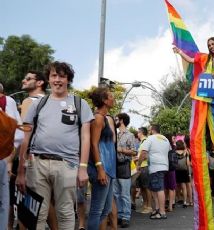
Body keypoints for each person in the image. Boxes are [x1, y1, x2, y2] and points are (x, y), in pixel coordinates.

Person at [16, 61, 93, 230]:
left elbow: (86, 138)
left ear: (68, 80)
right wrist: (21, 171)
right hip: (37, 164)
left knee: (65, 213)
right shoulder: (38, 104)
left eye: (62, 76)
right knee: (37, 215)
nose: (58, 80)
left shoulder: (80, 104)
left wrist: (83, 168)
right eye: (54, 76)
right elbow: (25, 138)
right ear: (48, 79)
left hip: (68, 164)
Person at [173, 37, 214, 229]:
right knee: (196, 137)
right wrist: (179, 52)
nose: (211, 47)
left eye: (213, 44)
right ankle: (204, 222)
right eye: (209, 45)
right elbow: (192, 59)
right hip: (201, 100)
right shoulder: (204, 59)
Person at [87, 87, 117, 229]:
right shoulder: (98, 118)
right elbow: (93, 144)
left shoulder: (104, 118)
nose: (114, 97)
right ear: (105, 101)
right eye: (111, 95)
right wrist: (100, 168)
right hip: (102, 168)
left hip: (109, 169)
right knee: (96, 210)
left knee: (105, 210)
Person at [0, 83, 24, 230]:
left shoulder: (6, 101)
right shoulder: (6, 101)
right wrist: (8, 161)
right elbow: (18, 134)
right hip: (1, 158)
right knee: (2, 204)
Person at [140, 124, 170, 220]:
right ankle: (157, 209)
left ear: (152, 130)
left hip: (155, 166)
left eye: (149, 130)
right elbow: (168, 151)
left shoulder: (151, 138)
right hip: (164, 165)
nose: (148, 131)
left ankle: (162, 212)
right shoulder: (165, 139)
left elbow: (143, 153)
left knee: (159, 188)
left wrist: (138, 165)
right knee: (154, 188)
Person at [113, 113, 137, 228]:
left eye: (116, 119)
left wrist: (120, 149)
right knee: (116, 194)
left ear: (121, 121)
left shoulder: (130, 135)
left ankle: (126, 217)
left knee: (124, 194)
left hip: (124, 165)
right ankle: (119, 215)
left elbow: (134, 152)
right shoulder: (115, 134)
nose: (115, 120)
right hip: (114, 166)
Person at [135, 127, 153, 214]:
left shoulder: (146, 141)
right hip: (141, 166)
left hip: (144, 166)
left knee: (146, 187)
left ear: (141, 133)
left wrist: (138, 159)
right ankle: (145, 205)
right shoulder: (142, 142)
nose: (137, 134)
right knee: (142, 187)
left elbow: (145, 155)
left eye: (138, 132)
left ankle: (149, 206)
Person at [174, 140, 192, 208]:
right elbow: (188, 164)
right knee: (185, 187)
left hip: (177, 171)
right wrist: (189, 172)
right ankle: (185, 201)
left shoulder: (174, 153)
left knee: (178, 186)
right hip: (184, 171)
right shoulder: (186, 152)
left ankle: (178, 199)